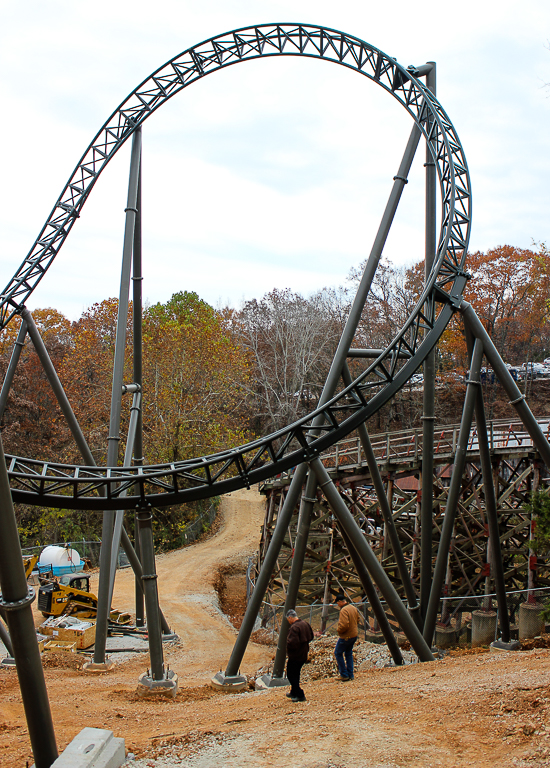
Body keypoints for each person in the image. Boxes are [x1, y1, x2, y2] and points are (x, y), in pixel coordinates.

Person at [285, 609, 314, 702]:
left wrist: (288, 648)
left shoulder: (294, 628)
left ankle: (300, 694)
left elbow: (292, 643)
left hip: (295, 655)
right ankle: (293, 691)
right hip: (303, 653)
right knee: (296, 673)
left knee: (290, 673)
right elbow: (311, 636)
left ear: (290, 618)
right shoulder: (305, 624)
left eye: (288, 619)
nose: (288, 622)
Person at [334, 593, 359, 681]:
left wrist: (339, 631)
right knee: (348, 653)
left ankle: (344, 674)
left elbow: (344, 625)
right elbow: (358, 619)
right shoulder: (353, 608)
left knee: (338, 653)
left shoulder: (344, 610)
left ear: (340, 602)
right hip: (354, 635)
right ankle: (350, 674)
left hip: (346, 636)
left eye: (337, 603)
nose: (337, 605)